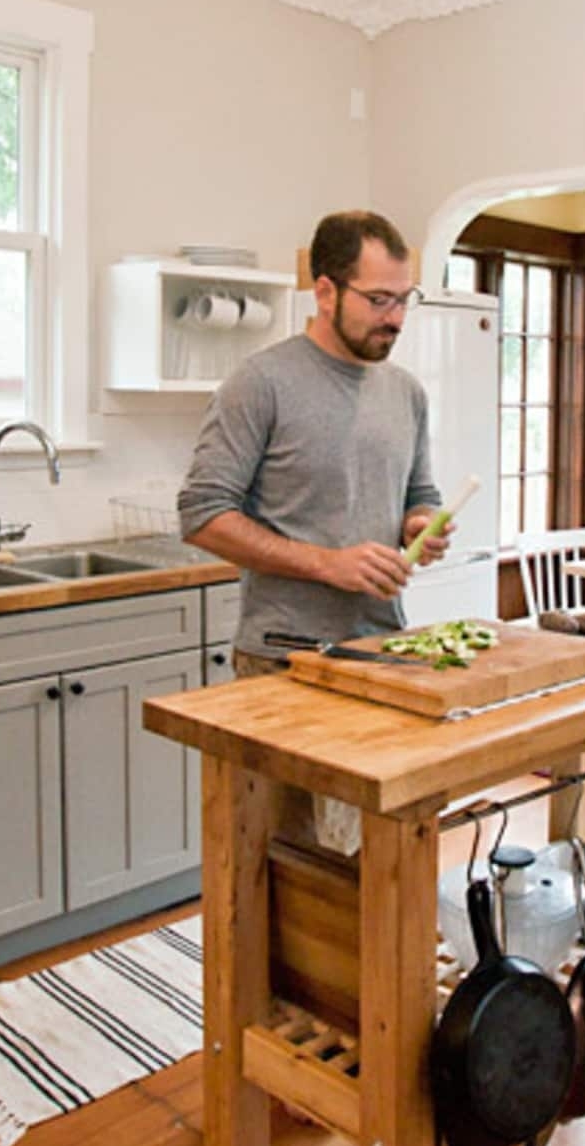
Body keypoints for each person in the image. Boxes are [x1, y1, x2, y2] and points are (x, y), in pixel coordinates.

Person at [177, 210, 451, 850]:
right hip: (283, 661)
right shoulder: (261, 383)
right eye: (378, 300)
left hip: (383, 656)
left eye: (403, 300)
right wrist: (328, 563)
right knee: (281, 870)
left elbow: (421, 496)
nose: (395, 318)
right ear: (324, 291)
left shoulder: (405, 392)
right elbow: (202, 513)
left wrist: (421, 526)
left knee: (370, 867)